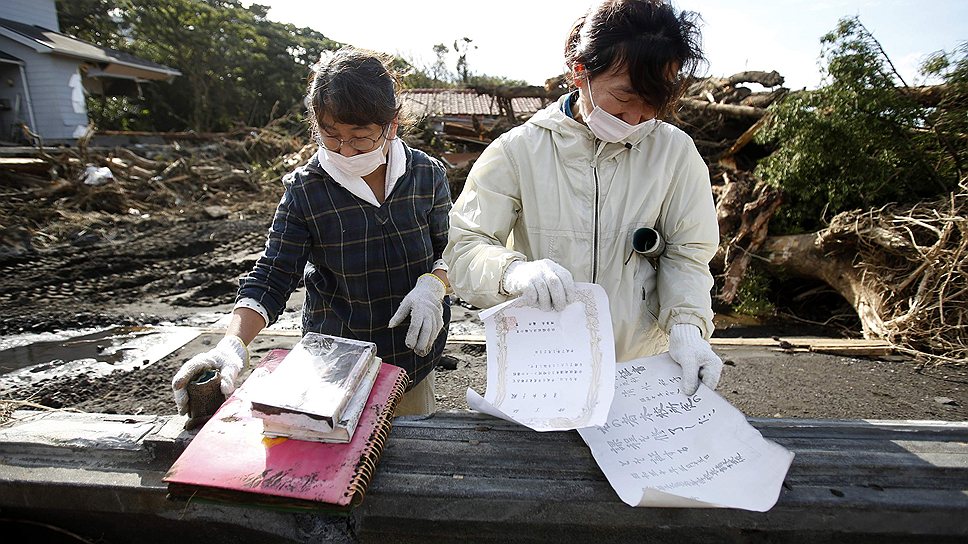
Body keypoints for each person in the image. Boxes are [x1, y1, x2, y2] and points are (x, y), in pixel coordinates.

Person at [444, 0, 722, 396]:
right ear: (581, 73)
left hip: (640, 364)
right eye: (624, 98)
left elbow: (688, 253)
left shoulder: (674, 153)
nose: (635, 119)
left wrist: (688, 326)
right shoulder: (518, 150)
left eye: (653, 104)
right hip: (541, 368)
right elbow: (466, 248)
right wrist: (512, 272)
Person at [173, 48, 452, 416]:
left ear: (392, 125)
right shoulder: (308, 189)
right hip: (336, 361)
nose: (345, 150)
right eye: (331, 135)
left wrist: (434, 285)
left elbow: (453, 249)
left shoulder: (425, 175)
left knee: (409, 451)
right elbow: (274, 272)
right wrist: (232, 344)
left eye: (361, 137)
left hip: (411, 358)